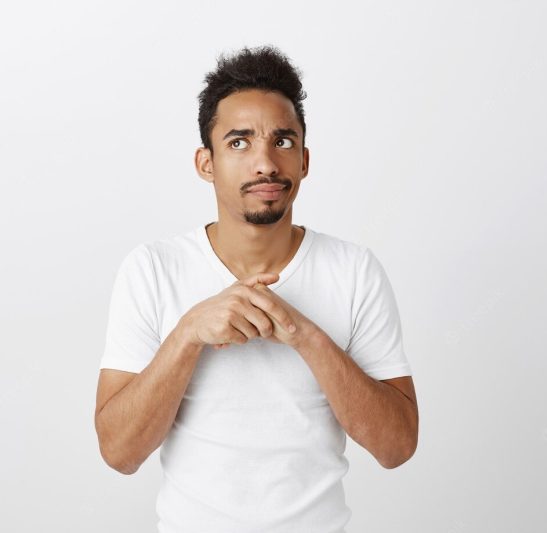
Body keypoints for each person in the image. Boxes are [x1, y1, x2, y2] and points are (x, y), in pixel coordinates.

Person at [94, 44, 418, 533]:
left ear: (304, 160)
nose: (265, 163)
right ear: (206, 162)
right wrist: (188, 334)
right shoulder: (152, 269)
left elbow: (396, 448)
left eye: (283, 142)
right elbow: (119, 453)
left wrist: (303, 333)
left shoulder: (354, 270)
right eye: (239, 143)